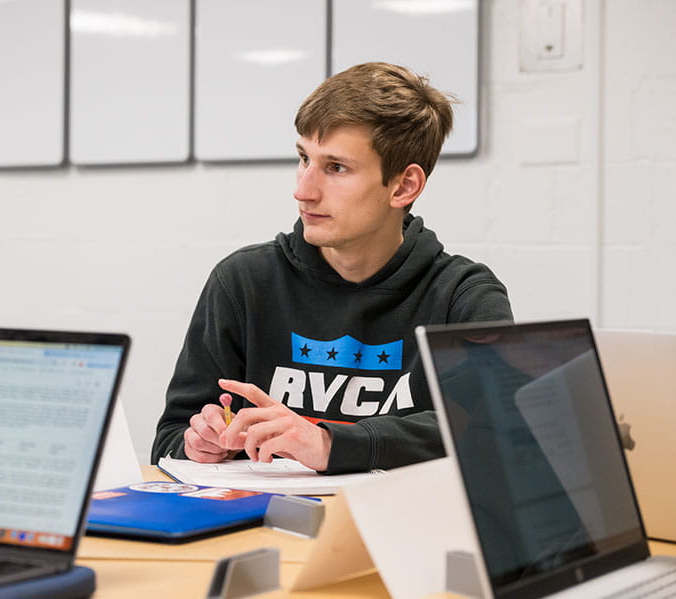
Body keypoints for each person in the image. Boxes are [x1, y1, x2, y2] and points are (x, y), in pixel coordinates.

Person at [151, 62, 513, 474]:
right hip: (266, 514)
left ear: (404, 186)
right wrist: (201, 444)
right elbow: (169, 440)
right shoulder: (242, 282)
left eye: (336, 167)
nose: (303, 190)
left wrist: (329, 444)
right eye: (304, 158)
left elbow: (491, 434)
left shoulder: (464, 296)